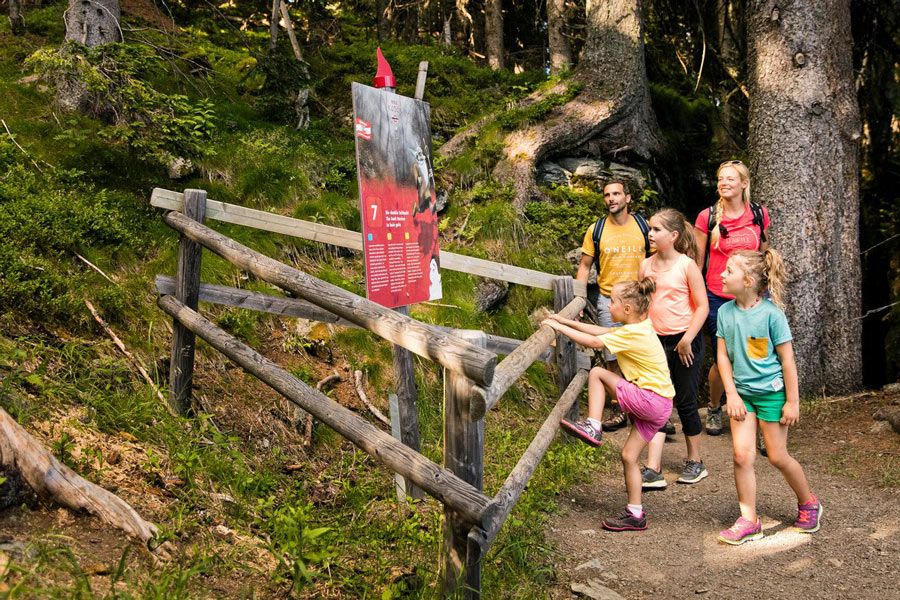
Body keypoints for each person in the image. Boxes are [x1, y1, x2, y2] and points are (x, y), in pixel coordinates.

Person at [544, 279, 674, 531]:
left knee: (597, 374)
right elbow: (599, 332)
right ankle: (636, 514)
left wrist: (557, 328)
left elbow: (594, 342)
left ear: (627, 309)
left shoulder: (632, 333)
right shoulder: (639, 327)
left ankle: (593, 425)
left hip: (650, 399)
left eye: (612, 301)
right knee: (629, 456)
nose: (607, 305)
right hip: (662, 405)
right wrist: (563, 321)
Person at [715, 249, 821, 545]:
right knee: (741, 456)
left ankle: (809, 502)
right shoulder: (724, 313)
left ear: (748, 281)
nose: (722, 274)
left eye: (729, 271)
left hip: (772, 395)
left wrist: (792, 402)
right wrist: (731, 395)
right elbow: (722, 357)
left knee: (777, 456)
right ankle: (749, 520)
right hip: (742, 396)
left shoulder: (772, 315)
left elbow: (787, 360)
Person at [694, 160, 770, 437]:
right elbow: (697, 262)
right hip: (718, 296)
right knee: (722, 357)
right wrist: (696, 297)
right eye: (721, 179)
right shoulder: (708, 217)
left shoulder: (759, 214)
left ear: (744, 184)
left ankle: (762, 416)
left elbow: (764, 254)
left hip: (754, 296)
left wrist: (766, 290)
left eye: (730, 179)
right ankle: (715, 407)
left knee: (759, 353)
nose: (724, 183)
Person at [637, 209, 710, 489]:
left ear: (674, 235)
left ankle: (695, 461)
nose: (650, 234)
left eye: (657, 230)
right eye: (650, 229)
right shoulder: (645, 265)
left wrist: (687, 339)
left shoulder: (686, 265)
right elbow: (643, 306)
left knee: (686, 400)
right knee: (656, 400)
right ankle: (653, 467)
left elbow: (702, 306)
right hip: (656, 341)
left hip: (685, 341)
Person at [576, 179, 651, 432]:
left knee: (643, 354)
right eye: (607, 195)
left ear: (627, 198)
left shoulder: (643, 226)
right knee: (612, 356)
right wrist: (579, 299)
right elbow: (585, 266)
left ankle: (648, 407)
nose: (611, 198)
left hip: (640, 301)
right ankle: (619, 408)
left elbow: (656, 260)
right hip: (609, 300)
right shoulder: (596, 230)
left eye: (617, 194)